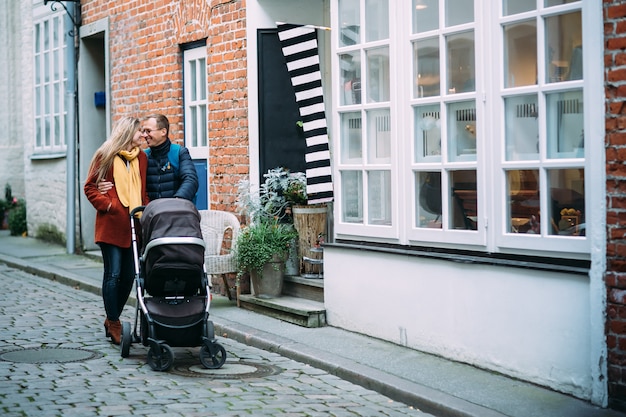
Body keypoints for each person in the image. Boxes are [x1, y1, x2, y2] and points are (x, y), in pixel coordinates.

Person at [84, 117, 149, 345]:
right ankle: (114, 322)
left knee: (130, 275)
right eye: (139, 131)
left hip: (133, 226)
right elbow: (90, 187)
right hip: (111, 225)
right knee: (113, 274)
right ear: (127, 132)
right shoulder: (106, 155)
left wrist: (146, 212)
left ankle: (113, 317)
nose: (143, 135)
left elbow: (143, 189)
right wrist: (108, 205)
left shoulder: (141, 158)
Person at [98, 114, 198, 201]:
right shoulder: (142, 156)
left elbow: (190, 179)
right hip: (151, 215)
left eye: (148, 131)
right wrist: (104, 187)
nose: (144, 135)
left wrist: (178, 200)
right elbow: (128, 183)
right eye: (143, 131)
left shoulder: (179, 152)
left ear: (163, 132)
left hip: (176, 215)